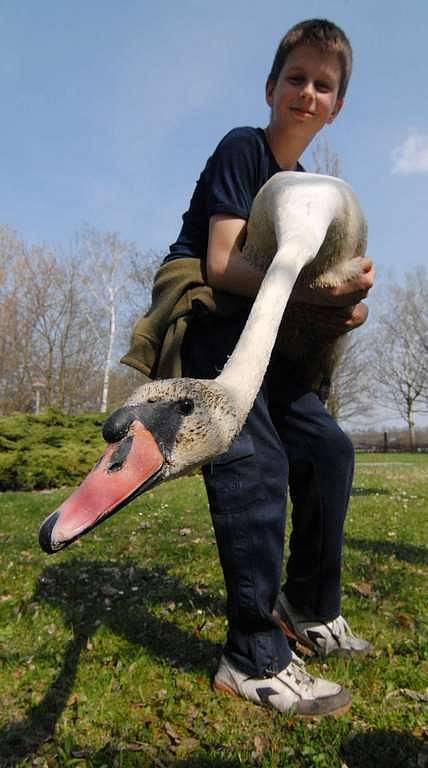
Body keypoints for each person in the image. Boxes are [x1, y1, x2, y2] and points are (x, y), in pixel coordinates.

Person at [123, 18, 374, 717]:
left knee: (328, 450)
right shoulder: (244, 150)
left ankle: (310, 605)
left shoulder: (312, 189)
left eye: (323, 84)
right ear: (271, 88)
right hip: (213, 328)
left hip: (271, 343)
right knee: (254, 461)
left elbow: (316, 290)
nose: (307, 92)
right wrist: (319, 293)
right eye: (296, 78)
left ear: (337, 105)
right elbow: (225, 262)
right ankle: (253, 656)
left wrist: (345, 304)